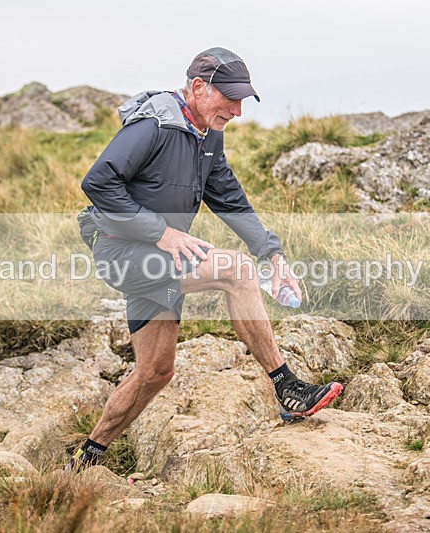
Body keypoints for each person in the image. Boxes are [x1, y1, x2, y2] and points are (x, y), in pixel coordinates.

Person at [74, 47, 343, 467]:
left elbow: (230, 198)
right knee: (234, 270)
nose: (237, 110)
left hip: (157, 255)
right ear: (197, 87)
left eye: (242, 101)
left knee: (155, 373)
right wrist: (159, 231)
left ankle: (86, 459)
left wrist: (272, 254)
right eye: (229, 98)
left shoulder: (207, 137)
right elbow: (98, 182)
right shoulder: (155, 125)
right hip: (124, 252)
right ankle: (287, 387)